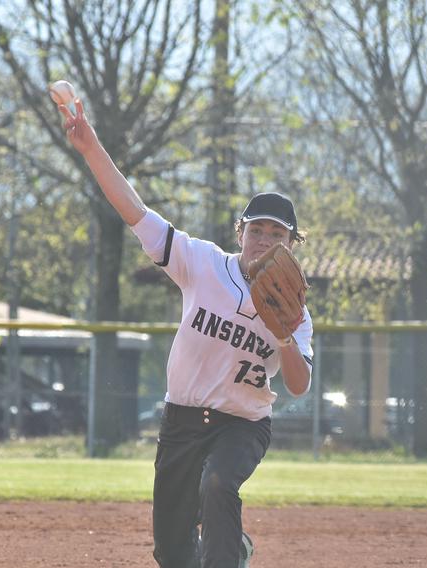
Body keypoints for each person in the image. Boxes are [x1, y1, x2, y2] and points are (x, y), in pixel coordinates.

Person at [57, 96, 313, 567]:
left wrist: (284, 335)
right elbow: (136, 213)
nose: (266, 241)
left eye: (279, 235)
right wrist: (92, 148)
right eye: (258, 230)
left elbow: (298, 385)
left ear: (292, 245)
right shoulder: (202, 263)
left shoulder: (294, 308)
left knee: (218, 483)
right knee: (172, 553)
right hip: (182, 421)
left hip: (244, 425)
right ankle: (234, 547)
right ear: (240, 233)